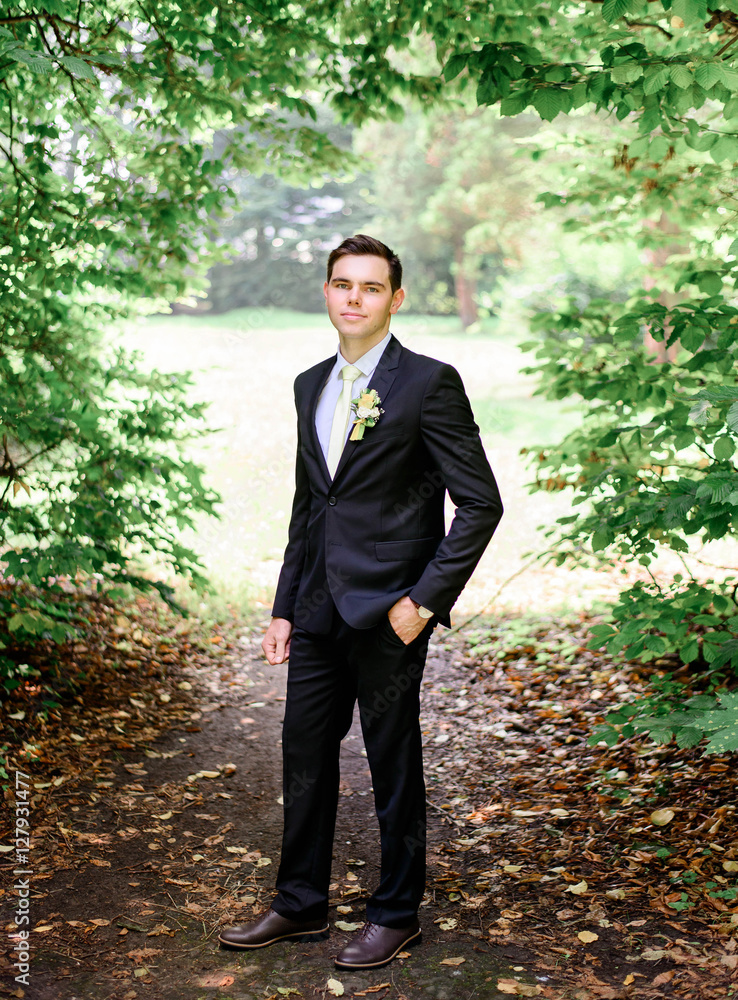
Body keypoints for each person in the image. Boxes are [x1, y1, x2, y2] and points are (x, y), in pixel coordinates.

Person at [219, 234, 503, 969]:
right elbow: (309, 503)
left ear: (395, 299)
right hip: (315, 607)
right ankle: (299, 902)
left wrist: (425, 602)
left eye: (371, 287)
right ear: (326, 292)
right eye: (342, 284)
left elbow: (480, 504)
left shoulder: (428, 383)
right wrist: (284, 605)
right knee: (303, 755)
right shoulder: (309, 383)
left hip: (390, 613)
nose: (354, 298)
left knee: (392, 761)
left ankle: (396, 911)